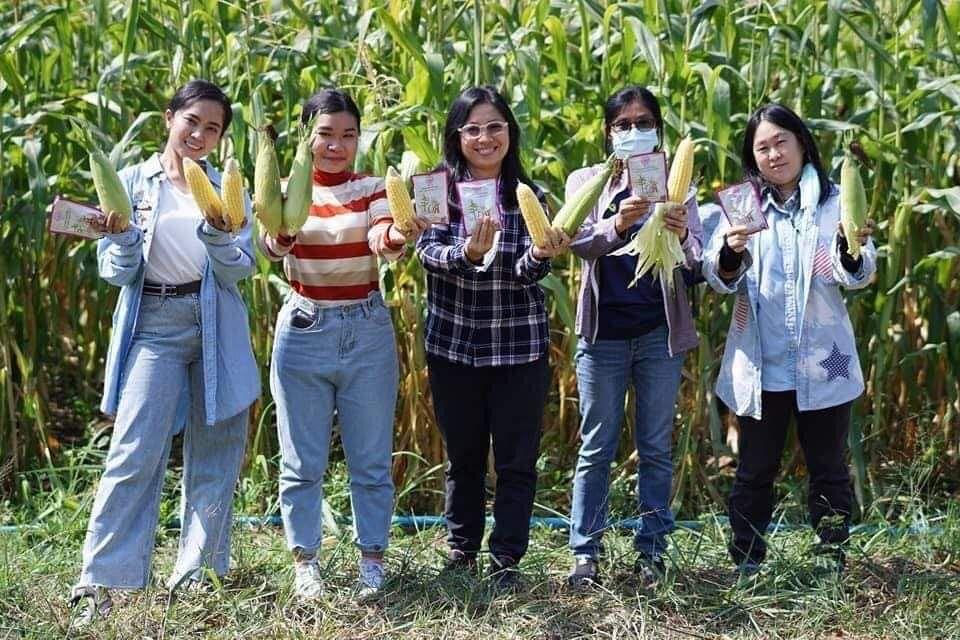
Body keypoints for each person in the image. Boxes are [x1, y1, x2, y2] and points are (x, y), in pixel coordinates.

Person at [71, 80, 259, 624]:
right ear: (169, 117)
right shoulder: (130, 181)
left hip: (216, 323)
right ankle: (100, 582)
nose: (199, 134)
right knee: (134, 449)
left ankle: (198, 579)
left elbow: (241, 268)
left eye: (212, 128)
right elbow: (115, 272)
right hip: (153, 324)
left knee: (217, 452)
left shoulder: (228, 188)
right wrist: (123, 238)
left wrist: (219, 236)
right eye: (191, 121)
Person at [258, 89, 429, 600]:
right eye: (325, 134)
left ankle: (372, 560)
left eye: (348, 135)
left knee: (370, 459)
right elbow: (270, 247)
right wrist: (280, 238)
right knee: (301, 461)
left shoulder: (373, 187)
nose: (337, 145)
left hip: (366, 330)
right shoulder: (285, 189)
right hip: (304, 330)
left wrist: (396, 237)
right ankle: (305, 562)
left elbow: (382, 236)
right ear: (307, 136)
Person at [702, 103, 876, 575]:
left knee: (829, 467)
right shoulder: (742, 207)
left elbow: (859, 273)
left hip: (824, 363)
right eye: (763, 148)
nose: (774, 154)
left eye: (782, 142)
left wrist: (851, 249)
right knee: (754, 470)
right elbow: (717, 276)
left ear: (802, 143)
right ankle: (747, 561)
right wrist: (730, 253)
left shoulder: (836, 202)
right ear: (753, 158)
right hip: (763, 365)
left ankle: (830, 557)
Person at [415, 85, 569, 590]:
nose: (485, 138)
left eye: (495, 127)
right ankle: (461, 552)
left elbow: (526, 273)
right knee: (463, 459)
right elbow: (427, 254)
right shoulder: (435, 189)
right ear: (457, 136)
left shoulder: (529, 196)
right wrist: (466, 254)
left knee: (516, 462)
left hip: (517, 346)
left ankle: (507, 558)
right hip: (453, 345)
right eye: (473, 129)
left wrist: (540, 255)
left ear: (510, 133)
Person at [564, 86, 704, 588]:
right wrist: (617, 226)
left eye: (643, 122)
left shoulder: (679, 185)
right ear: (609, 132)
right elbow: (575, 241)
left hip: (658, 336)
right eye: (622, 124)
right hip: (602, 337)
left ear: (658, 129)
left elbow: (698, 262)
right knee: (596, 447)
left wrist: (682, 232)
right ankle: (585, 553)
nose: (633, 131)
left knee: (655, 448)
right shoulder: (586, 181)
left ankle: (652, 552)